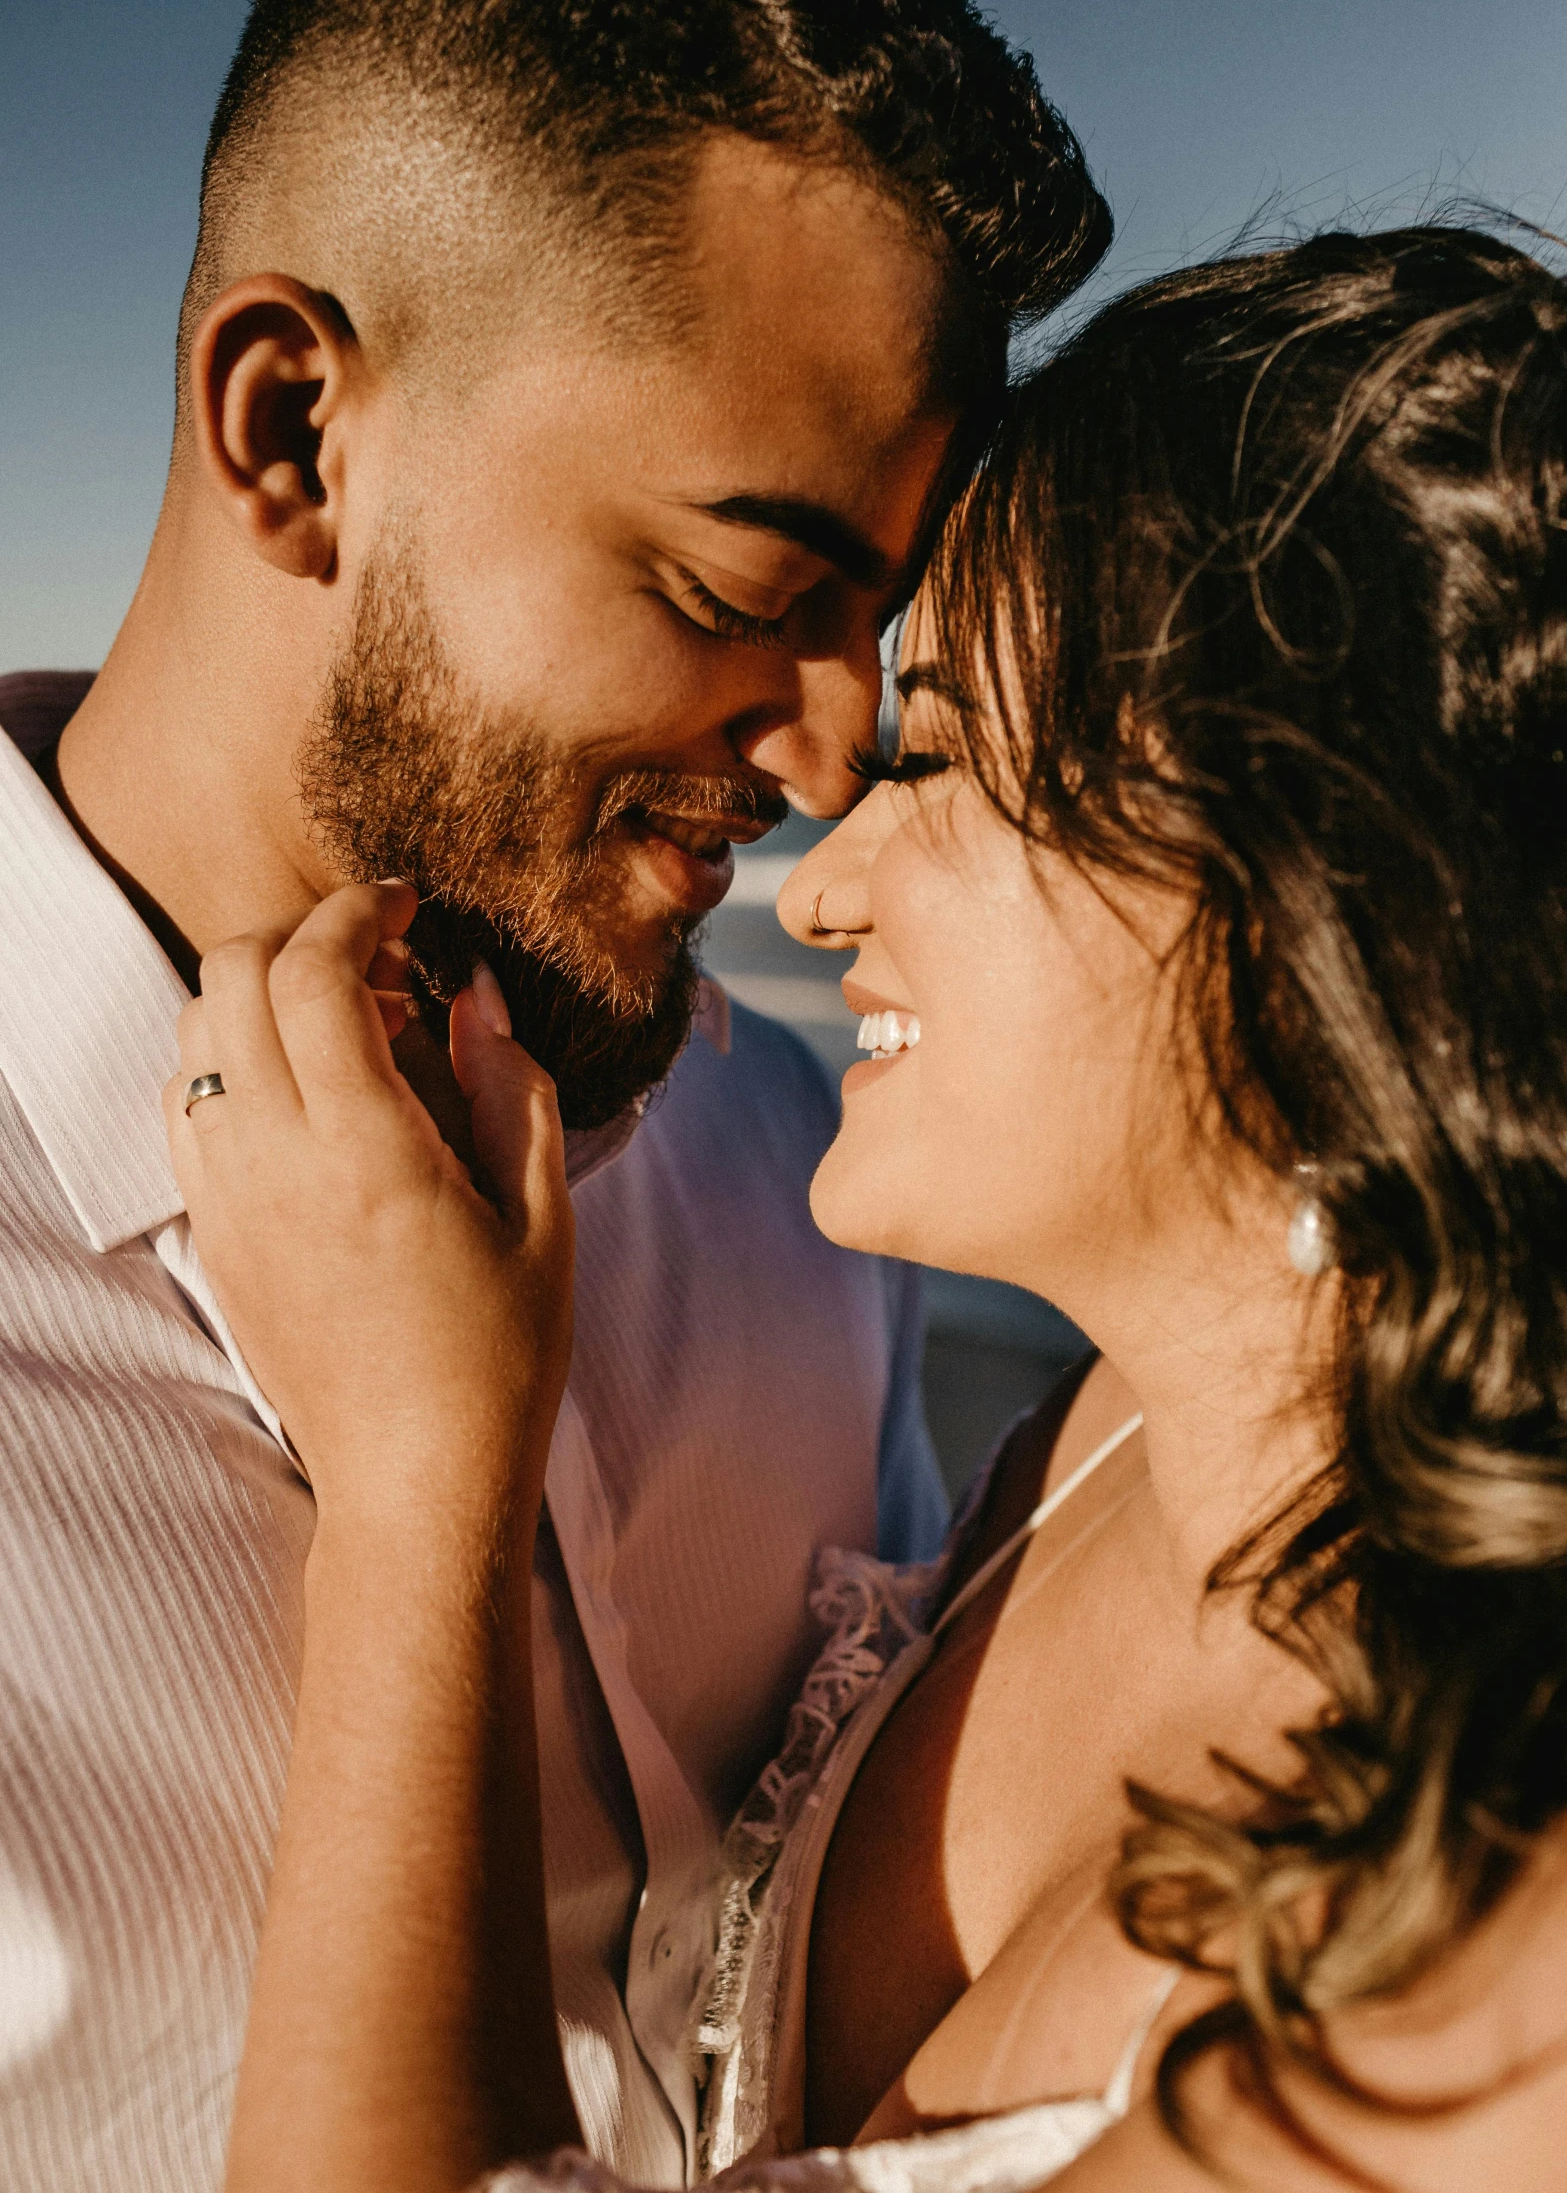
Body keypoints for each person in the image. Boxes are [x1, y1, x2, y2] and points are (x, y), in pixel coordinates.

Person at [177, 220, 1567, 2193]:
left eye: (945, 762)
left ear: (1325, 902)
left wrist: (420, 1483)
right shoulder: (1097, 1438)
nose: (817, 887)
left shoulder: (1519, 1938)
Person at [0, 0, 1112, 2188]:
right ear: (294, 428)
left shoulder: (786, 1155)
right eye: (739, 584)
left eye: (877, 621)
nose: (831, 755)